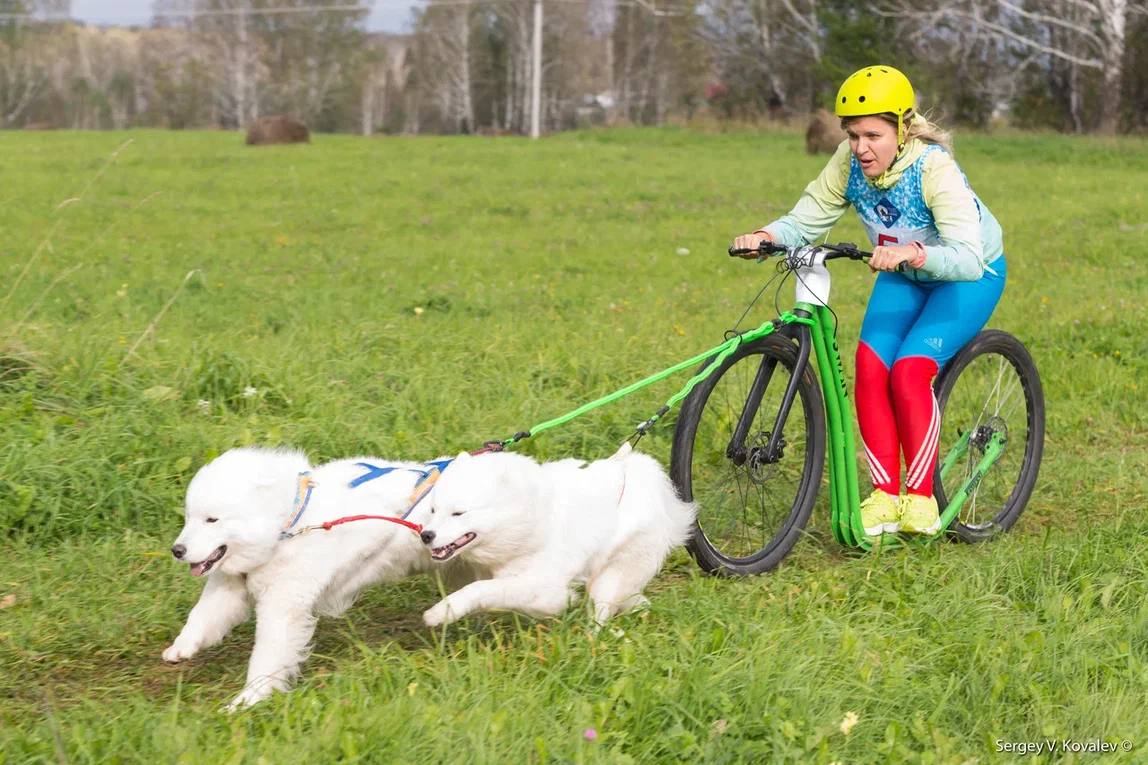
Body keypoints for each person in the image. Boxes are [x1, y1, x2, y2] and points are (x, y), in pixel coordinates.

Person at [732, 65, 1006, 537]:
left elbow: (967, 258)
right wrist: (767, 235)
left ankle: (920, 500)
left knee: (910, 370)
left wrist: (911, 252)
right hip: (904, 271)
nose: (860, 147)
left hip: (968, 275)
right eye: (853, 134)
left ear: (901, 129)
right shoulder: (848, 162)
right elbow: (808, 218)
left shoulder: (932, 168)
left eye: (873, 135)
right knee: (871, 364)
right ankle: (884, 494)